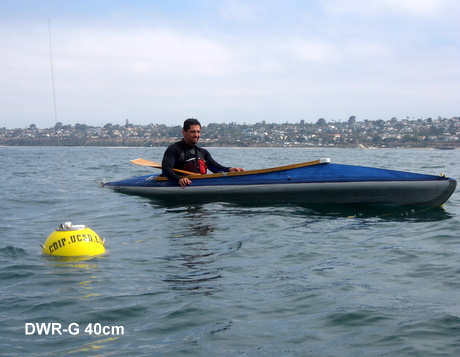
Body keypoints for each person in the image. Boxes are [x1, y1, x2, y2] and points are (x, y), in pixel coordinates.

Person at [162, 118, 245, 187]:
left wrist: (229, 169)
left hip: (199, 183)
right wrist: (179, 179)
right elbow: (166, 169)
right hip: (181, 183)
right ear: (184, 132)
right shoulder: (174, 149)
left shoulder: (202, 152)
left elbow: (216, 168)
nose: (196, 135)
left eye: (198, 132)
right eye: (193, 132)